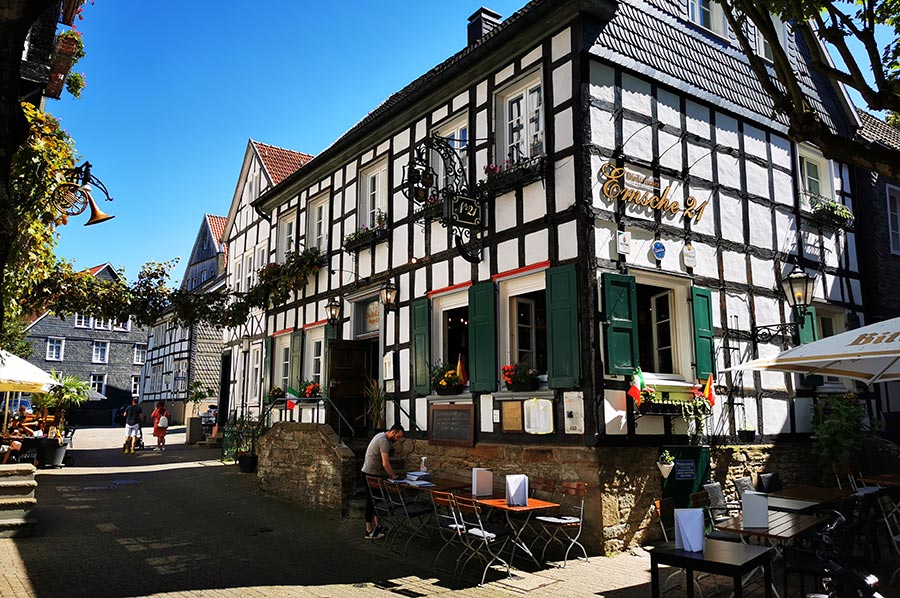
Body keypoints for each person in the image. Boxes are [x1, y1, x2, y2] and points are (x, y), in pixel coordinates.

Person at [361, 424, 404, 540]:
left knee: (377, 500)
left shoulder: (381, 435)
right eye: (398, 437)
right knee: (371, 502)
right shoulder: (384, 441)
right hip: (369, 474)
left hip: (373, 473)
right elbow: (385, 463)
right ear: (393, 432)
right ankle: (368, 531)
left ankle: (378, 526)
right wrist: (393, 476)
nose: (397, 439)